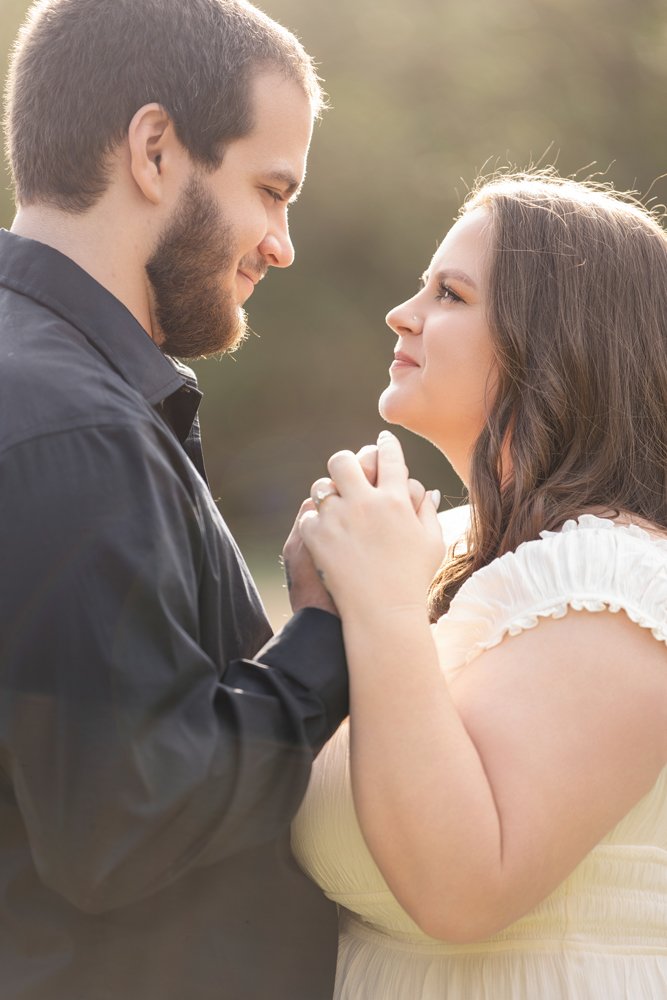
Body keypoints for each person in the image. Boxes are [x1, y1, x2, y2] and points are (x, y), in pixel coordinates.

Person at [0, 1, 350, 998]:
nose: (280, 244)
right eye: (270, 190)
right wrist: (325, 636)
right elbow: (125, 820)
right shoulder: (76, 429)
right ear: (154, 149)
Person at [290, 171, 667, 998]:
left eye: (450, 294)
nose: (402, 313)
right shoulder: (446, 549)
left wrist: (381, 604)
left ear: (557, 342)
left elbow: (463, 885)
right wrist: (319, 616)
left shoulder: (619, 583)